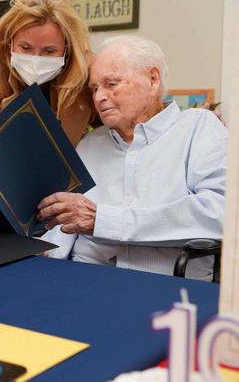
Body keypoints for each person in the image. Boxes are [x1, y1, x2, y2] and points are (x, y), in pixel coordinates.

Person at [37, 35, 227, 281]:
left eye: (111, 84)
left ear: (153, 79)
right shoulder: (90, 143)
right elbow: (65, 227)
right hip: (79, 278)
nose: (99, 97)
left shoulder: (197, 127)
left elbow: (220, 214)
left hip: (161, 286)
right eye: (94, 88)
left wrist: (104, 221)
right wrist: (41, 252)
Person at [0, 0, 96, 165]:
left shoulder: (85, 78)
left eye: (49, 51)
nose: (36, 58)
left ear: (67, 50)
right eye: (25, 48)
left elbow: (117, 131)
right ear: (9, 43)